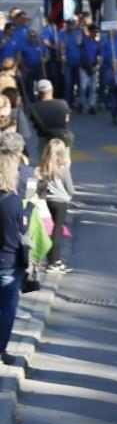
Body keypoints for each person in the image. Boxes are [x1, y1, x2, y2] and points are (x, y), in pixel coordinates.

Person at [0, 132, 29, 364]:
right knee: (8, 308)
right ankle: (1, 349)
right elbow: (21, 230)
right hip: (10, 261)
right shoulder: (14, 202)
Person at [34, 138, 75, 273]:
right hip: (61, 202)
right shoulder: (63, 169)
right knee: (57, 231)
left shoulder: (43, 167)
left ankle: (49, 258)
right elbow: (70, 189)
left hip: (48, 201)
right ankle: (55, 261)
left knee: (51, 230)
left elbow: (39, 185)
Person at [27, 80, 71, 156]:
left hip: (44, 140)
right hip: (62, 139)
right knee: (63, 165)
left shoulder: (32, 108)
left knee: (45, 165)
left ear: (38, 93)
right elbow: (66, 119)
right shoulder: (63, 103)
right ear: (52, 90)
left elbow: (34, 123)